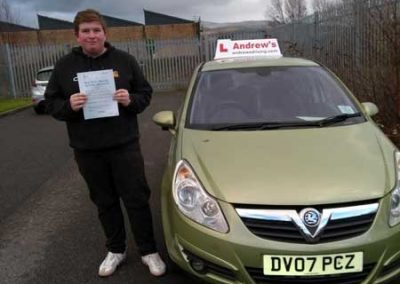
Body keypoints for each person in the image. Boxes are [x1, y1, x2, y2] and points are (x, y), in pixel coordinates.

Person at [45, 9, 166, 277]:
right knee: (104, 201)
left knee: (136, 198)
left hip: (124, 145)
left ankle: (148, 251)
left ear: (105, 33)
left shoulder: (124, 61)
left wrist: (129, 100)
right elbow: (51, 103)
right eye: (85, 31)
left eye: (96, 30)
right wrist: (69, 105)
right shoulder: (65, 67)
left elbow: (144, 93)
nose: (91, 35)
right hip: (87, 150)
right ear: (77, 36)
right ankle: (116, 249)